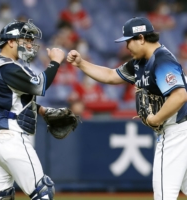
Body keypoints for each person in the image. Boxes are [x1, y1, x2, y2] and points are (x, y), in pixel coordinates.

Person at [67, 17, 187, 200]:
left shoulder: (161, 60)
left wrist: (156, 119)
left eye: (128, 41)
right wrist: (81, 64)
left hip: (177, 131)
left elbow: (180, 95)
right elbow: (110, 75)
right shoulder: (140, 63)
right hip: (179, 131)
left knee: (164, 194)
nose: (126, 47)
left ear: (141, 38)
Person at [0, 19, 65, 199]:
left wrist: (40, 110)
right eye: (26, 40)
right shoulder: (8, 67)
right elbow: (40, 86)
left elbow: (4, 100)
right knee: (42, 191)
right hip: (11, 137)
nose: (30, 45)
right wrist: (55, 62)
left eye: (31, 41)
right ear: (11, 41)